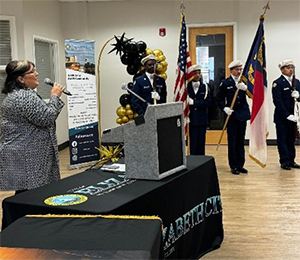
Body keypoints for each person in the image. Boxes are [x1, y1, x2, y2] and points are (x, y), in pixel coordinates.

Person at [0, 60, 65, 194]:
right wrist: (55, 96)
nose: (37, 74)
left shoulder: (19, 94)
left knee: (27, 192)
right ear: (21, 79)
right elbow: (46, 118)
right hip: (28, 156)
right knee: (32, 194)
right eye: (32, 71)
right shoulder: (23, 96)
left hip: (26, 154)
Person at [216, 60, 251, 175]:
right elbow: (219, 99)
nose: (239, 71)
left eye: (240, 69)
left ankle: (241, 164)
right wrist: (225, 108)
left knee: (241, 141)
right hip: (232, 116)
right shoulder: (226, 83)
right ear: (231, 70)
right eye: (236, 69)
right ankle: (234, 165)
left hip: (243, 115)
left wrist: (246, 89)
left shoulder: (244, 82)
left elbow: (253, 95)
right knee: (233, 141)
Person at [272, 59, 300, 170]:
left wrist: (298, 95)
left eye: (292, 67)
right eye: (288, 68)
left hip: (294, 117)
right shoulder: (277, 83)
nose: (290, 70)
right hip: (282, 117)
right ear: (281, 69)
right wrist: (286, 115)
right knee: (282, 140)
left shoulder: (296, 82)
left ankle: (292, 160)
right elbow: (277, 101)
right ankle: (284, 161)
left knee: (291, 140)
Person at [187, 65, 211, 155]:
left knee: (201, 143)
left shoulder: (205, 87)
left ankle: (201, 162)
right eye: (195, 73)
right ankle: (193, 163)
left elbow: (208, 102)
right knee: (192, 143)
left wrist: (194, 103)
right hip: (191, 118)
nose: (197, 75)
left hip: (201, 119)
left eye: (199, 73)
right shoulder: (186, 87)